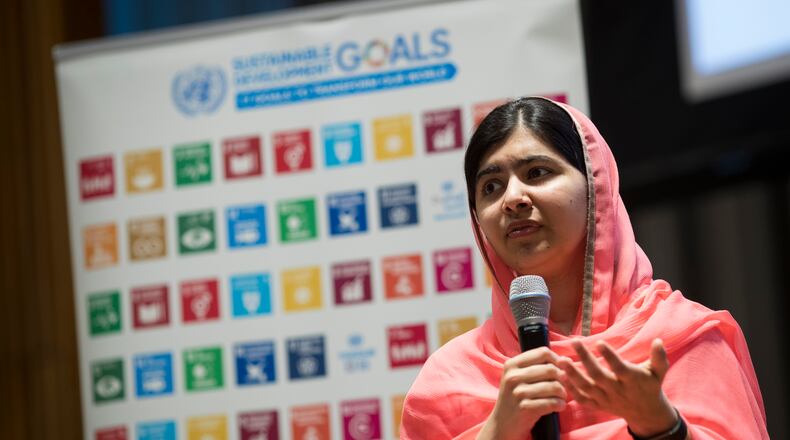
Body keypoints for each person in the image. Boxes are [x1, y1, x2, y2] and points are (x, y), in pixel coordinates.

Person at [399, 97, 768, 439]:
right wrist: (497, 430)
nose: (512, 198)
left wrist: (662, 426)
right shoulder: (448, 382)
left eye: (537, 172)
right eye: (491, 187)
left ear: (596, 186)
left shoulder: (684, 339)